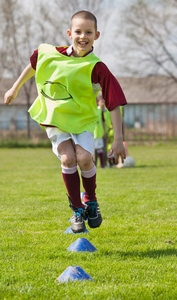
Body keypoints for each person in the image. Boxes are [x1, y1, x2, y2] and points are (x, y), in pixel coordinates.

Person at [4, 10, 127, 233]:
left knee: (84, 157)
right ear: (70, 33)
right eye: (78, 32)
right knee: (68, 158)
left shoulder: (97, 67)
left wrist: (118, 139)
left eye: (88, 32)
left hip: (82, 121)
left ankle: (91, 200)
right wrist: (15, 87)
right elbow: (35, 65)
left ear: (96, 35)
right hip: (57, 119)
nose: (83, 37)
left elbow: (114, 103)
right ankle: (77, 210)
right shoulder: (53, 54)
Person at [94, 95, 106, 168]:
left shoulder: (101, 111)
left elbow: (103, 121)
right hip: (93, 132)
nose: (103, 103)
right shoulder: (96, 109)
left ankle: (102, 164)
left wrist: (104, 131)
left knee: (99, 148)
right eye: (102, 102)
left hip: (99, 133)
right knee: (94, 149)